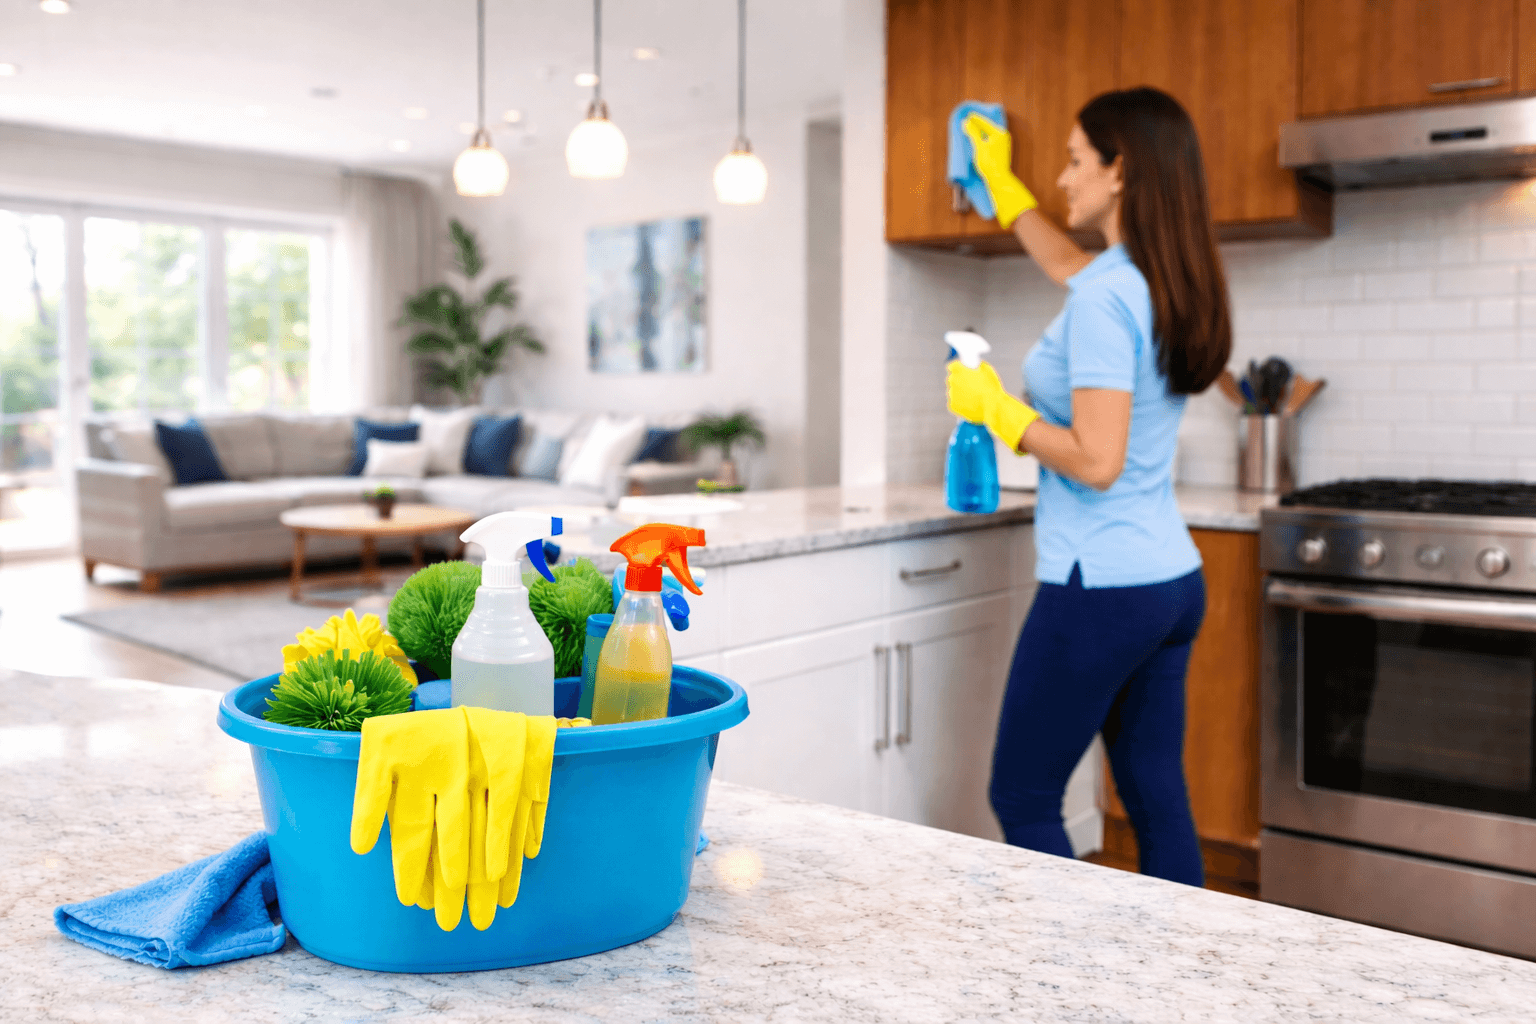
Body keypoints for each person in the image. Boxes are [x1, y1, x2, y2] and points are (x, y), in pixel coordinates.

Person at [948, 87, 1231, 886]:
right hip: (1168, 580)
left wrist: (996, 409)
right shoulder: (1152, 276)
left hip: (1098, 586)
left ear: (1121, 171)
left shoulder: (1110, 297)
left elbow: (1097, 460)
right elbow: (1066, 263)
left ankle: (1073, 995)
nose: (1063, 178)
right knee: (1152, 791)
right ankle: (1177, 982)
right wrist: (1001, 186)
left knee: (1026, 795)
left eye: (1075, 161)